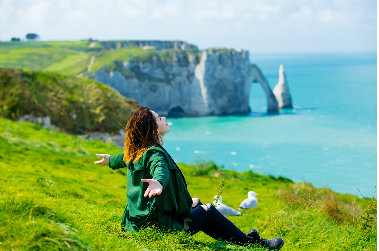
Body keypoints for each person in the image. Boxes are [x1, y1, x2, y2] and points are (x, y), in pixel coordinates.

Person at [94, 107, 284, 250]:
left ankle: (242, 237)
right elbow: (160, 169)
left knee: (196, 203)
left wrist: (111, 161)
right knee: (208, 210)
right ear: (153, 129)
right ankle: (253, 244)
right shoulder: (154, 153)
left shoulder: (137, 152)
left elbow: (124, 157)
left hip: (137, 224)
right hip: (161, 227)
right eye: (159, 118)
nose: (164, 118)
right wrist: (159, 181)